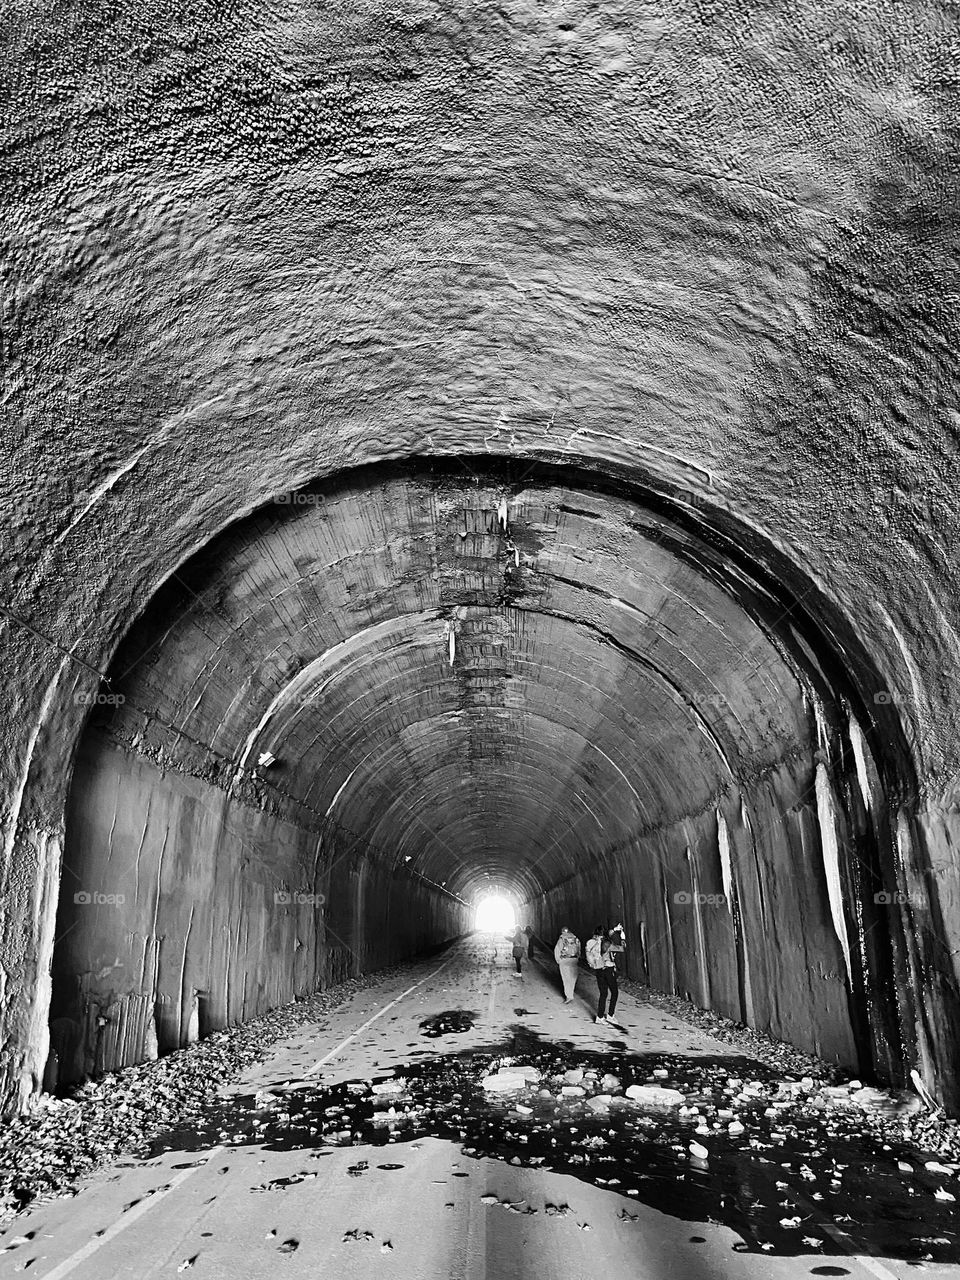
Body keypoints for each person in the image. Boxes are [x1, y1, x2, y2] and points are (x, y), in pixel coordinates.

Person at [585, 923, 626, 1024]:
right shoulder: (608, 944)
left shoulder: (592, 942)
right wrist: (622, 938)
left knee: (603, 993)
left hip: (598, 970)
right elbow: (622, 948)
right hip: (608, 970)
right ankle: (610, 1015)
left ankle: (599, 1017)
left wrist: (614, 929)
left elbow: (608, 934)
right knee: (614, 992)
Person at [554, 925, 581, 1002]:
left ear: (562, 932)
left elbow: (557, 950)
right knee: (573, 978)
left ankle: (569, 996)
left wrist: (558, 960)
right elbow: (579, 949)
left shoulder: (562, 939)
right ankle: (571, 993)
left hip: (564, 961)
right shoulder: (576, 939)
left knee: (566, 979)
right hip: (574, 960)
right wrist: (577, 958)